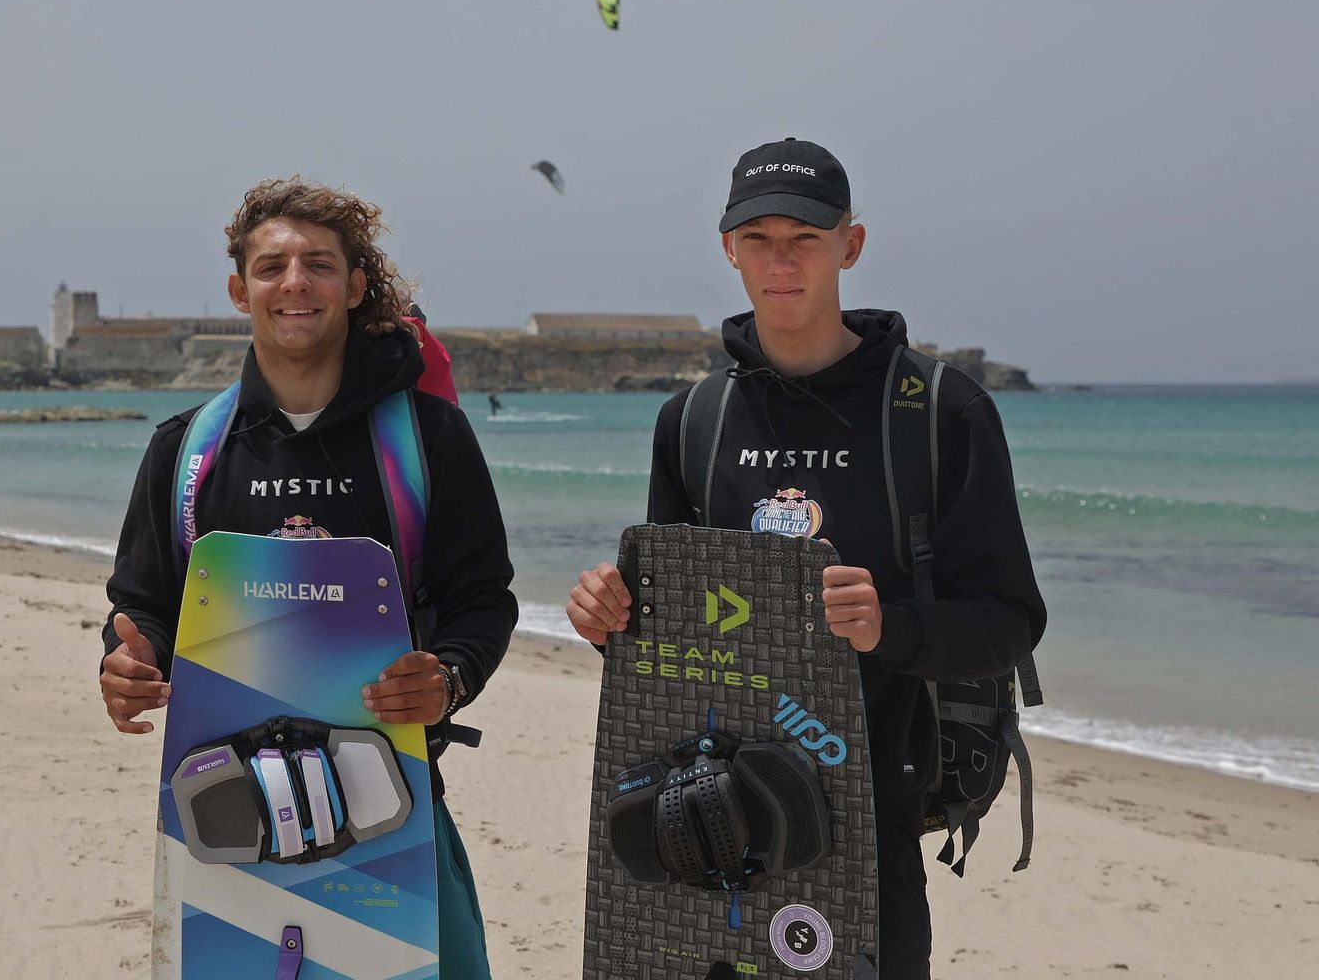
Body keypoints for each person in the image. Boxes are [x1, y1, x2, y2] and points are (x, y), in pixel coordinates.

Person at [566, 138, 1047, 979]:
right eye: (757, 240)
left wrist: (890, 628)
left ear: (849, 247)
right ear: (728, 249)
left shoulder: (940, 411)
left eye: (805, 239)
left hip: (871, 817)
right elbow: (668, 639)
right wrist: (610, 620)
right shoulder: (694, 419)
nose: (779, 262)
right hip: (707, 814)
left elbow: (1009, 623)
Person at [100, 177, 517, 977]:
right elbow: (145, 603)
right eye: (272, 266)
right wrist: (127, 662)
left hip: (393, 807)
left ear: (355, 286)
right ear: (238, 290)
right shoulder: (187, 453)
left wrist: (451, 680)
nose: (295, 282)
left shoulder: (428, 440)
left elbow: (482, 600)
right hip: (224, 810)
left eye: (319, 264)